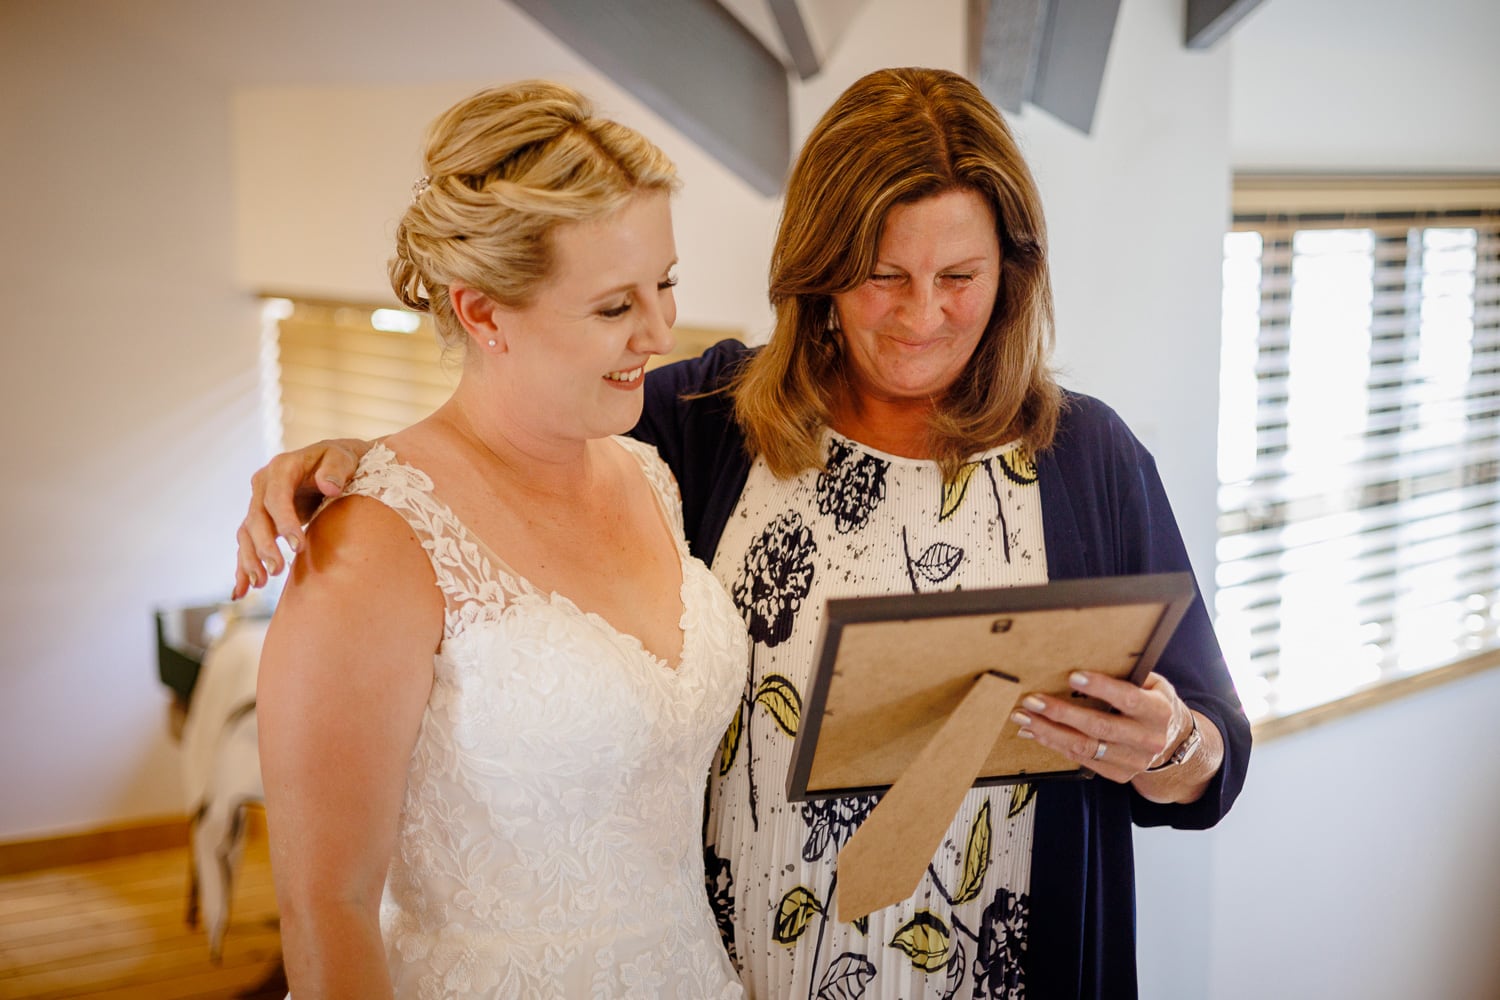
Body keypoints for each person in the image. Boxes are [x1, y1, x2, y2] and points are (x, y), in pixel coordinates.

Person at [237, 67, 1251, 999]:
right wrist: (356, 461)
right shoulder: (706, 425)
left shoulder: (1087, 460)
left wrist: (1173, 745)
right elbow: (509, 448)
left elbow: (1212, 751)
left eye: (961, 276)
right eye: (883, 274)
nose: (923, 315)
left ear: (1012, 272)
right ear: (822, 266)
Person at [251, 81, 748, 998]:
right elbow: (329, 907)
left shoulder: (653, 477)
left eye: (666, 283)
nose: (660, 331)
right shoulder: (372, 542)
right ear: (482, 313)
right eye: (614, 308)